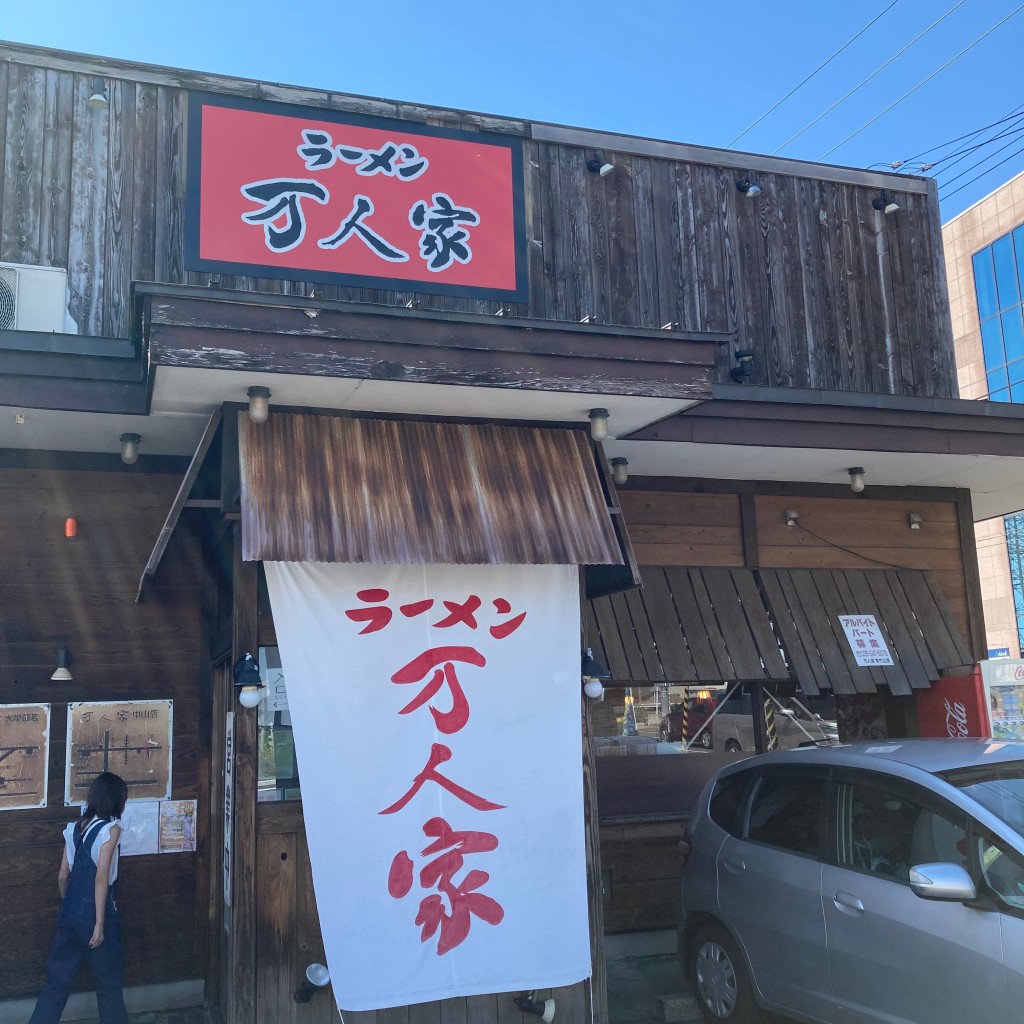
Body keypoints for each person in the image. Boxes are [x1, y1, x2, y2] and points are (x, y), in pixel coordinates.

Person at [29, 771, 129, 1024]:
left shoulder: (73, 829)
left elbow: (63, 876)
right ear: (116, 800)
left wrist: (69, 905)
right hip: (96, 911)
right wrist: (98, 923)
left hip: (70, 910)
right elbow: (101, 877)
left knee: (57, 983)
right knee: (108, 984)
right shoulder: (111, 830)